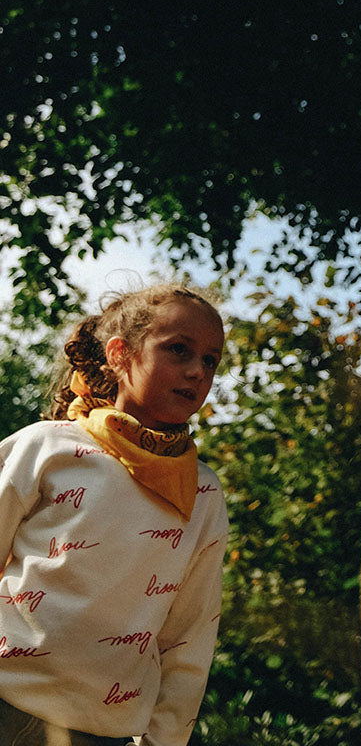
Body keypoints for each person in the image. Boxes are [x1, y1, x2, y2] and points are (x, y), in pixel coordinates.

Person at [0, 284, 230, 746]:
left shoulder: (203, 492)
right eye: (178, 349)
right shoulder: (47, 445)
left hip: (100, 733)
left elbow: (189, 637)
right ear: (120, 355)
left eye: (210, 360)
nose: (196, 371)